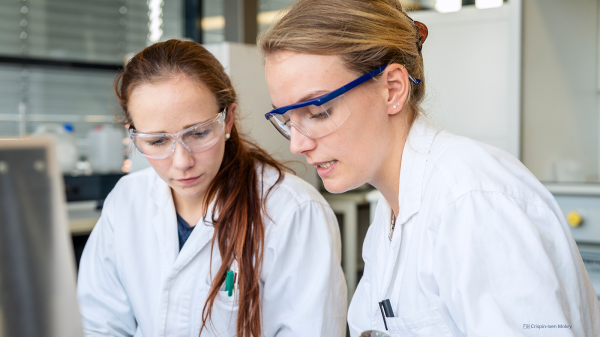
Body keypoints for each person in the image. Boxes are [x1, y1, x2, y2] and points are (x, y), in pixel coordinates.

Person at [258, 0, 600, 336]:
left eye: (319, 112)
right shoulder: (390, 209)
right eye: (287, 119)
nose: (297, 144)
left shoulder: (470, 201)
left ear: (392, 89)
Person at [76, 39, 347, 337]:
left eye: (200, 133)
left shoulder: (294, 212)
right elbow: (99, 325)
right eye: (157, 141)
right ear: (134, 136)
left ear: (227, 119)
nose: (182, 162)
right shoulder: (126, 201)